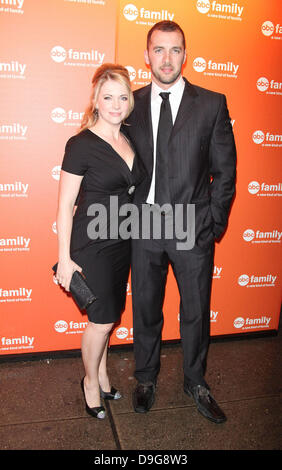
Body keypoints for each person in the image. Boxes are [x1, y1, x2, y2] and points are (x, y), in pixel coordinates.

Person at [124, 21, 236, 423]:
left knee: (195, 310)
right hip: (145, 225)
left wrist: (212, 223)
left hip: (192, 224)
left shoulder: (211, 103)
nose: (167, 59)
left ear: (185, 55)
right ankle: (147, 377)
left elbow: (225, 173)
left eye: (175, 50)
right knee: (146, 308)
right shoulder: (129, 105)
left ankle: (195, 381)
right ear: (146, 55)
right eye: (158, 50)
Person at [55, 64, 144, 419]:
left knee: (109, 314)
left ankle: (103, 374)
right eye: (108, 97)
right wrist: (64, 258)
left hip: (123, 241)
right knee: (102, 320)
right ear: (95, 100)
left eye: (123, 97)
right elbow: (64, 206)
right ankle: (90, 381)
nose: (116, 104)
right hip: (91, 244)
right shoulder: (80, 144)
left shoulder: (129, 139)